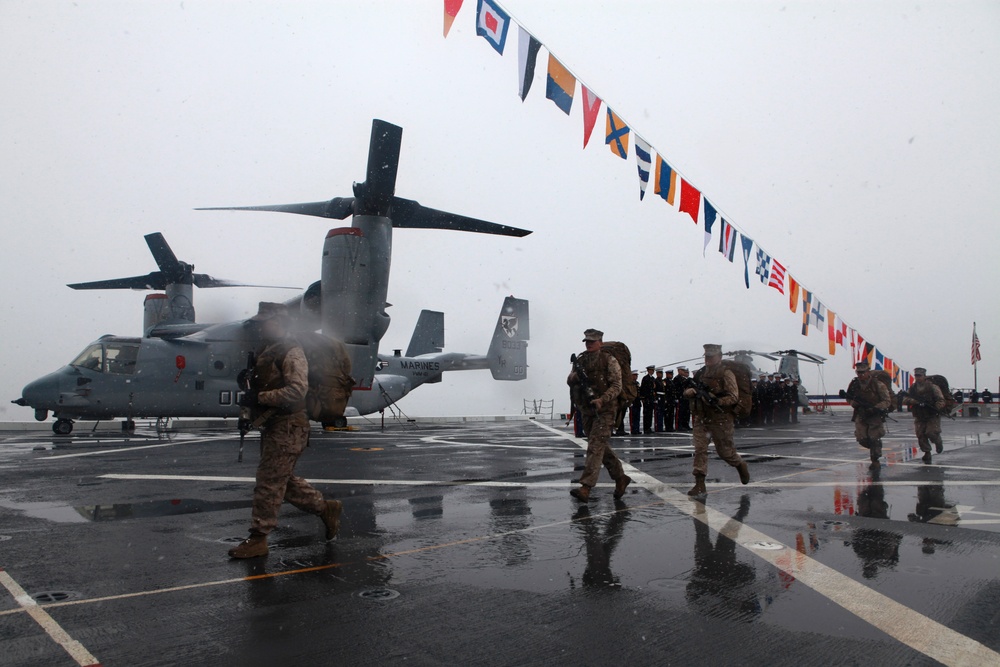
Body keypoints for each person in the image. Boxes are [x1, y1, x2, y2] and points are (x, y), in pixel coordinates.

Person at [228, 302, 344, 558]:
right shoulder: (265, 351)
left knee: (269, 482)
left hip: (289, 425)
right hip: (274, 425)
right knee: (283, 481)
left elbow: (296, 391)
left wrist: (259, 398)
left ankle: (259, 538)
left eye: (264, 322)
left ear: (279, 323)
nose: (259, 326)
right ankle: (326, 509)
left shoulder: (291, 351)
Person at [567, 329, 631, 502]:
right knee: (600, 446)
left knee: (595, 446)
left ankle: (586, 487)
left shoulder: (609, 360)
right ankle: (620, 478)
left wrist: (602, 399)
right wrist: (572, 377)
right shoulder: (581, 360)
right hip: (587, 410)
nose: (589, 344)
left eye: (592, 341)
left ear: (600, 343)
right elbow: (570, 380)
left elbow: (617, 386)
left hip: (606, 410)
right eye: (587, 341)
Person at [682, 344, 750, 497]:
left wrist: (717, 401)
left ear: (719, 357)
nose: (708, 359)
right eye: (706, 356)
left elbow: (733, 397)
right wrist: (690, 392)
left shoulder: (726, 373)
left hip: (721, 419)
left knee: (725, 452)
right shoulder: (700, 374)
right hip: (702, 418)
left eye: (711, 357)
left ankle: (739, 464)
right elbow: (685, 391)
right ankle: (700, 484)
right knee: (700, 449)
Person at [845, 361, 892, 471]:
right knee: (862, 439)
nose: (861, 375)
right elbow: (848, 397)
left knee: (874, 438)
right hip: (860, 414)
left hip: (875, 415)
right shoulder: (854, 384)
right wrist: (853, 403)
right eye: (859, 372)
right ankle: (875, 449)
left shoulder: (878, 384)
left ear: (868, 371)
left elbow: (886, 401)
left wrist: (875, 408)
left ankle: (875, 460)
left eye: (863, 372)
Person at [901, 367, 946, 463]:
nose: (917, 378)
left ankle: (938, 442)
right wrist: (915, 401)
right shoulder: (913, 388)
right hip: (919, 414)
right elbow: (905, 399)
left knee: (931, 432)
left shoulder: (932, 387)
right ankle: (927, 452)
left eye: (919, 376)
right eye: (916, 375)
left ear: (924, 376)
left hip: (932, 414)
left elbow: (941, 400)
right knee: (920, 434)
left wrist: (935, 407)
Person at [673, 367, 692, 431]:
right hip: (680, 398)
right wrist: (677, 397)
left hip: (685, 398)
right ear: (679, 371)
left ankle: (685, 424)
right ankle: (679, 426)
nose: (684, 372)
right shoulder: (677, 379)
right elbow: (676, 389)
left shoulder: (685, 379)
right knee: (680, 413)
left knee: (686, 412)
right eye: (682, 371)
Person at [639, 365, 656, 434]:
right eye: (651, 370)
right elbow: (643, 389)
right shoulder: (645, 378)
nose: (652, 371)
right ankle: (646, 428)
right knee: (646, 414)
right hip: (647, 398)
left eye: (653, 370)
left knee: (650, 414)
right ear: (648, 370)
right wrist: (643, 398)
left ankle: (649, 427)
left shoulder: (653, 379)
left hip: (651, 398)